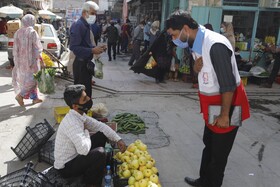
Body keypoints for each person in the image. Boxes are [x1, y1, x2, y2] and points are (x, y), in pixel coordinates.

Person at [166, 11, 250, 187]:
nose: (174, 39)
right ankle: (204, 180)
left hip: (229, 105)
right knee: (209, 144)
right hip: (212, 106)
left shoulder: (214, 45)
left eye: (174, 34)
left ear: (185, 29)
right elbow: (208, 73)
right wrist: (196, 69)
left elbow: (227, 85)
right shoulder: (196, 43)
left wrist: (225, 115)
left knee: (219, 154)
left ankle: (212, 183)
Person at [54, 84, 126, 187]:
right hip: (66, 167)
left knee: (101, 135)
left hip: (76, 155)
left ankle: (93, 171)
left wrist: (118, 139)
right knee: (100, 153)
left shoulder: (79, 115)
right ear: (75, 106)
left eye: (87, 96)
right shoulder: (71, 123)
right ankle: (92, 183)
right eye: (84, 99)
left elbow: (100, 126)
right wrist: (86, 132)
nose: (89, 99)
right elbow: (83, 150)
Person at [70, 1, 106, 99]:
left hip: (86, 64)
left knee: (87, 94)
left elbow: (86, 45)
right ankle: (80, 113)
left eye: (95, 14)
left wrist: (98, 48)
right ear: (84, 12)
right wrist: (92, 51)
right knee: (81, 96)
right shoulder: (78, 25)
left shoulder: (86, 25)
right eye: (92, 13)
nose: (94, 16)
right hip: (81, 65)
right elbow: (74, 48)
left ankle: (84, 113)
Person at [12, 14, 43, 106]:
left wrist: (17, 61)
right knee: (33, 80)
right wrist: (40, 58)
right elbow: (37, 47)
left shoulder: (18, 32)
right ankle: (20, 95)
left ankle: (35, 98)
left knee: (25, 80)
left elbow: (15, 48)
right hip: (31, 61)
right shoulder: (32, 32)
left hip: (21, 61)